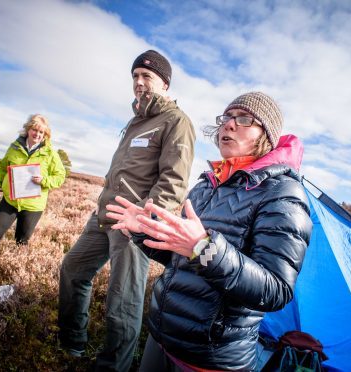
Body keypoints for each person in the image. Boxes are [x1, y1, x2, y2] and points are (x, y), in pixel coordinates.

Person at [106, 92, 313, 371]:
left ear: (267, 135)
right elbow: (182, 258)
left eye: (244, 119)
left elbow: (276, 289)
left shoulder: (284, 193)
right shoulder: (207, 184)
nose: (228, 125)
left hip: (210, 356)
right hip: (162, 338)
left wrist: (204, 248)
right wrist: (145, 233)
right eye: (226, 117)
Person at [58, 50, 195, 371]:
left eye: (147, 76)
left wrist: (144, 223)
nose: (139, 82)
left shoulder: (176, 121)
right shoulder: (137, 120)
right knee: (73, 270)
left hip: (134, 224)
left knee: (123, 302)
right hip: (104, 216)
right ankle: (72, 344)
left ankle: (112, 366)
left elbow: (174, 181)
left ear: (165, 83)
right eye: (135, 76)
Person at [0, 114, 66, 265]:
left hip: (33, 206)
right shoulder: (15, 147)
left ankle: (14, 271)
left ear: (45, 135)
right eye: (35, 130)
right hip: (10, 200)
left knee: (21, 242)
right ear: (28, 130)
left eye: (41, 132)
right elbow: (3, 167)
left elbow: (60, 176)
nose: (37, 134)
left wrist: (45, 181)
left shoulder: (50, 153)